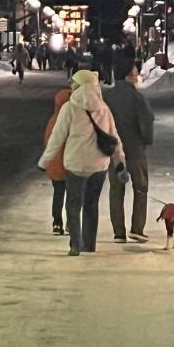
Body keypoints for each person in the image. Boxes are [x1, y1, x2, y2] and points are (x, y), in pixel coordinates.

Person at [39, 70, 128, 256]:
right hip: (99, 165)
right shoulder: (104, 108)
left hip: (75, 164)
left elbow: (57, 138)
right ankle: (89, 244)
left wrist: (45, 161)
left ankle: (75, 244)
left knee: (73, 203)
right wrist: (120, 162)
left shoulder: (69, 108)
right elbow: (114, 138)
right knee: (91, 204)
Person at [103, 58, 154, 243]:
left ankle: (118, 232)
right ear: (128, 75)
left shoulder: (107, 96)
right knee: (140, 187)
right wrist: (146, 140)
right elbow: (146, 121)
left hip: (114, 150)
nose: (137, 75)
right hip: (135, 149)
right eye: (135, 73)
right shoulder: (136, 97)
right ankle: (137, 228)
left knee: (116, 190)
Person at [43, 87, 71, 234]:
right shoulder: (72, 120)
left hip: (55, 165)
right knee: (72, 194)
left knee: (58, 193)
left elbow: (47, 142)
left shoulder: (52, 121)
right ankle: (70, 222)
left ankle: (57, 222)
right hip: (69, 164)